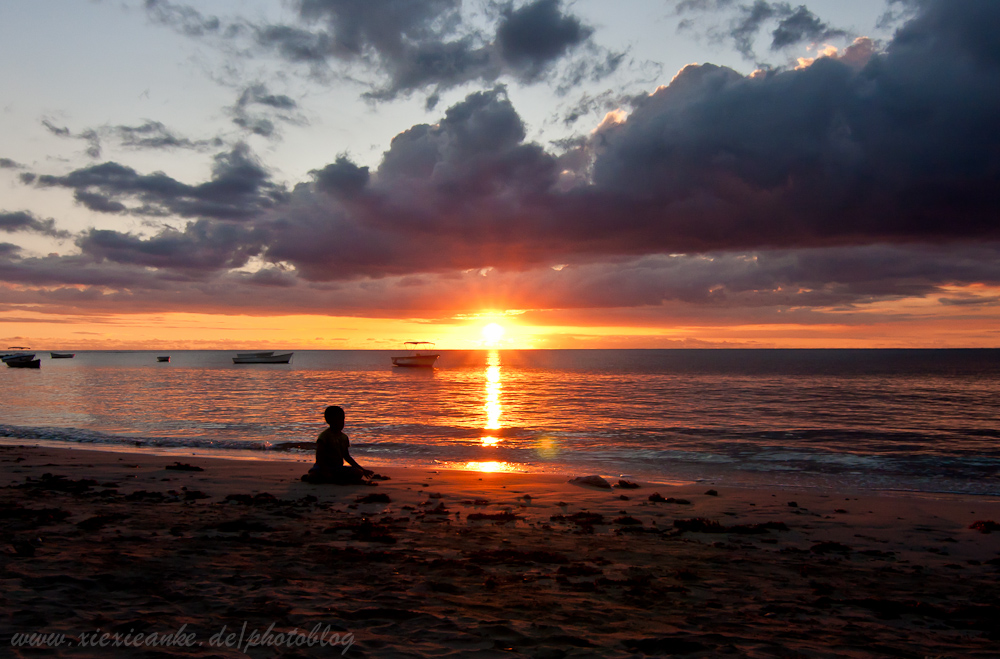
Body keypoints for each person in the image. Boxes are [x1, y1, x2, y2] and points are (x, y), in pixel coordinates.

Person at [301, 405, 374, 484]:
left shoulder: (344, 437)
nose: (341, 423)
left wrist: (363, 470)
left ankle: (332, 479)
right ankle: (327, 478)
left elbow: (347, 456)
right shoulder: (324, 436)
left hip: (338, 468)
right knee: (314, 476)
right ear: (329, 421)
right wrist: (325, 471)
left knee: (358, 473)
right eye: (338, 420)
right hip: (323, 467)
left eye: (342, 419)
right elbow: (319, 457)